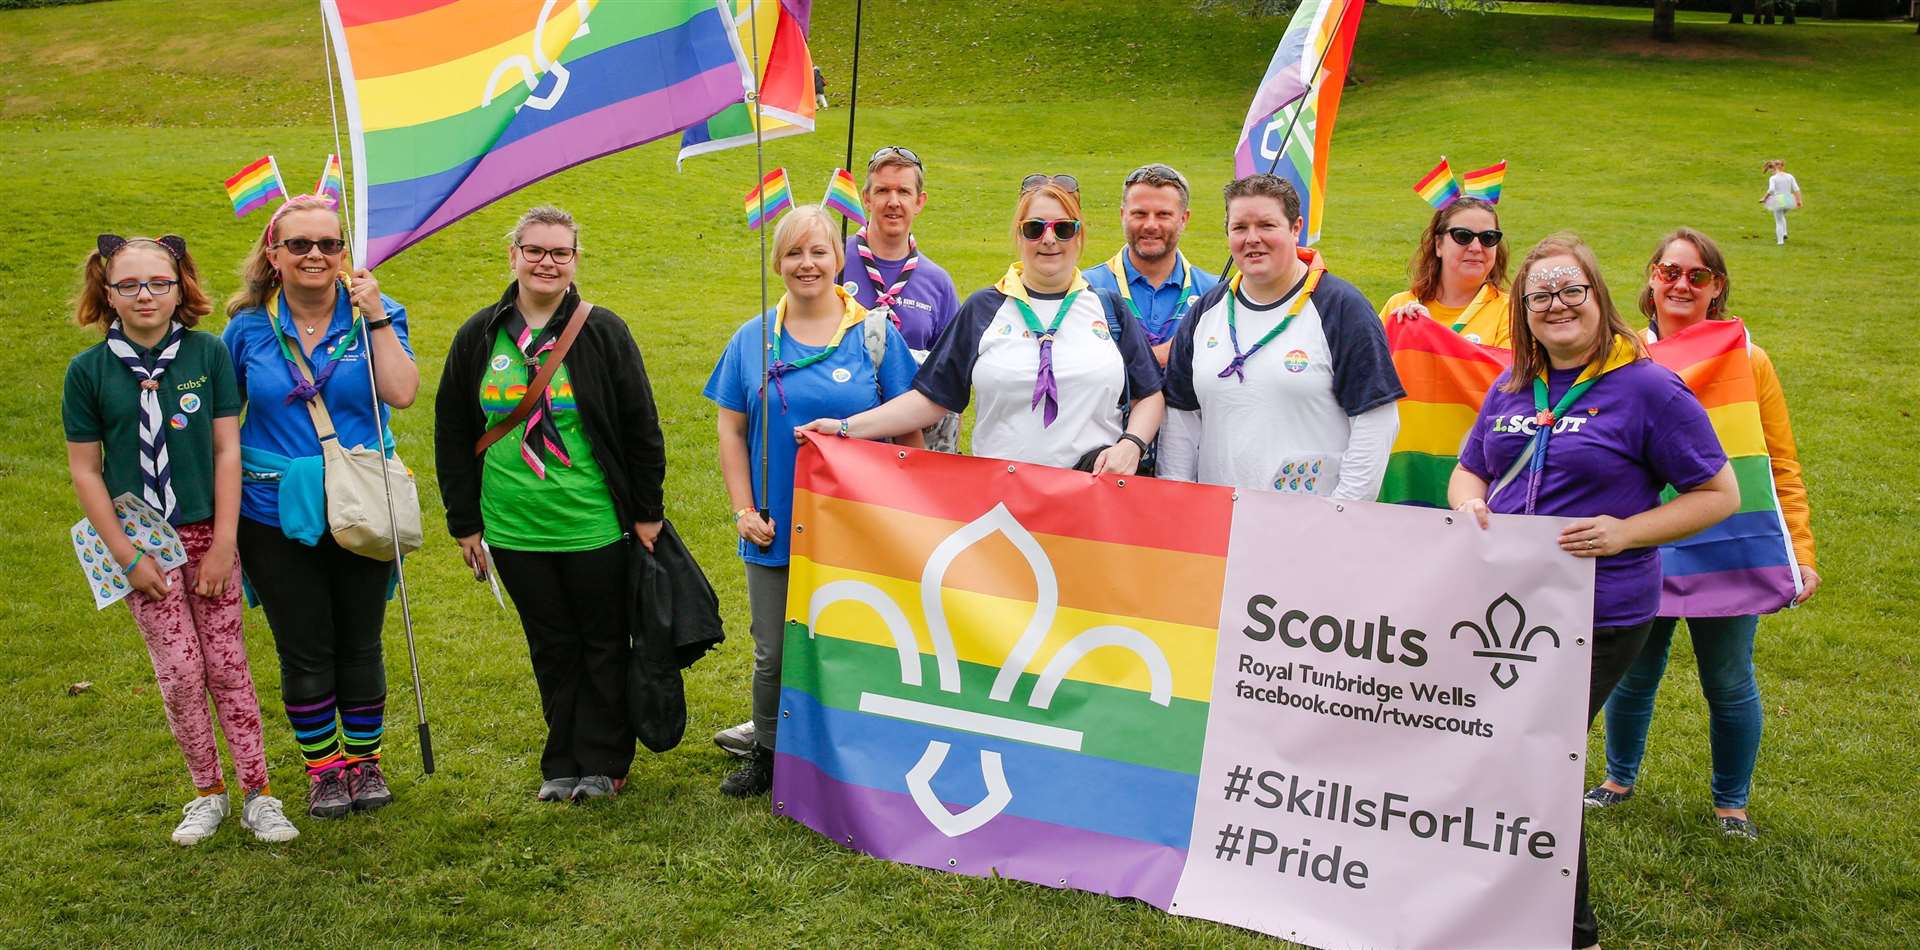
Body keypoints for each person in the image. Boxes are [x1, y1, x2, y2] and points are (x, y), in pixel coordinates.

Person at [1449, 234, 1739, 950]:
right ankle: (1484, 898)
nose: (1557, 306)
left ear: (1598, 297)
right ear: (1523, 310)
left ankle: (1573, 932)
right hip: (1507, 608)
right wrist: (1467, 504)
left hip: (1598, 612)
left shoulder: (1648, 389)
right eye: (1540, 295)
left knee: (1537, 758)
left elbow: (1718, 493)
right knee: (1502, 753)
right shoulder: (1512, 384)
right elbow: (1470, 470)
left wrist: (1626, 531)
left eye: (1571, 290)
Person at [63, 234, 299, 845]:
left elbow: (227, 449)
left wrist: (224, 543)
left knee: (227, 666)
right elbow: (86, 468)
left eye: (158, 283)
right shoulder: (88, 371)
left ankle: (258, 792)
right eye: (130, 285)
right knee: (179, 671)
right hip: (142, 546)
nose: (145, 295)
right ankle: (206, 793)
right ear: (107, 293)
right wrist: (125, 553)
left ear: (180, 286)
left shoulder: (206, 355)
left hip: (207, 534)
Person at [1587, 227, 1820, 839]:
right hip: (1647, 535)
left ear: (1717, 287)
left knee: (1728, 677)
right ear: (1651, 278)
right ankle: (1617, 778)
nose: (1681, 285)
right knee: (1635, 670)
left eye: (1697, 275)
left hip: (1726, 541)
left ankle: (1731, 803)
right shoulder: (1621, 354)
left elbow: (1778, 461)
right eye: (1669, 272)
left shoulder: (1749, 358)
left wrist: (1799, 551)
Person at [434, 206, 665, 804]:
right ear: (512, 255)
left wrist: (646, 512)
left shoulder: (603, 331)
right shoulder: (479, 334)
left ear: (575, 261)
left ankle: (605, 760)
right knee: (552, 645)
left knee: (603, 642)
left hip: (592, 521)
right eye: (534, 250)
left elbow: (642, 426)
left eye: (560, 252)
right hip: (514, 526)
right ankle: (561, 759)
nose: (546, 262)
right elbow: (452, 431)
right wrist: (464, 522)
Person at [704, 205, 922, 796]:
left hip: (856, 530)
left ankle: (855, 757)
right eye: (795, 253)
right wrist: (743, 510)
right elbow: (731, 429)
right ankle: (770, 757)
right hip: (775, 528)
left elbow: (909, 428)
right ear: (778, 262)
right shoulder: (753, 338)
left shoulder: (874, 335)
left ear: (838, 258)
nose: (807, 264)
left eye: (818, 251)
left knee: (851, 644)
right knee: (773, 651)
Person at [222, 193, 420, 819]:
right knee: (304, 645)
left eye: (329, 244)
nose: (315, 254)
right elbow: (224, 426)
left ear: (344, 254)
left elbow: (403, 393)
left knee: (360, 641)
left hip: (363, 501)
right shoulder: (247, 326)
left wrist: (378, 316)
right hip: (272, 507)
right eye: (300, 244)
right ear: (273, 254)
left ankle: (364, 763)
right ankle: (324, 771)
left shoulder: (377, 314)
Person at [797, 176, 1165, 476]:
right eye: (1035, 228)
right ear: (1019, 236)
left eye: (1063, 228)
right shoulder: (984, 309)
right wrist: (845, 427)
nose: (1049, 239)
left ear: (1079, 235)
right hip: (1002, 501)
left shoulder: (1107, 308)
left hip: (1092, 500)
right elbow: (930, 400)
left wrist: (1131, 445)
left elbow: (1149, 394)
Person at [1159, 174, 1403, 498]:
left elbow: (1377, 420)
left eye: (1267, 225)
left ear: (1295, 227)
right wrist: (1178, 499)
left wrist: (1344, 512)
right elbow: (1180, 418)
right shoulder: (1207, 310)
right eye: (1240, 227)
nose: (1252, 238)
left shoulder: (1342, 308)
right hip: (1219, 527)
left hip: (1309, 527)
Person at [1082, 163, 1219, 367]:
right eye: (1140, 214)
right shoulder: (1085, 288)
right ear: (1122, 215)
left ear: (1184, 219)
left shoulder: (1216, 294)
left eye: (1163, 214)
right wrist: (1162, 355)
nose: (1150, 225)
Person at [1378, 195, 1511, 346]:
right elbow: (1371, 365)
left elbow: (1501, 369)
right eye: (1463, 236)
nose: (1476, 248)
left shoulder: (1511, 312)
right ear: (1438, 244)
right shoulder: (1399, 306)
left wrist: (1431, 333)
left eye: (1488, 237)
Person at [1761, 159, 1801, 245]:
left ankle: (1780, 241)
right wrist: (1799, 200)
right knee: (1782, 215)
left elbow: (1771, 190)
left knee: (1778, 220)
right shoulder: (1790, 176)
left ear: (1773, 168)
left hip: (1778, 199)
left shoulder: (1773, 178)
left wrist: (1764, 198)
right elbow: (1796, 189)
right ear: (1782, 166)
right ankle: (1784, 233)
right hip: (1789, 199)